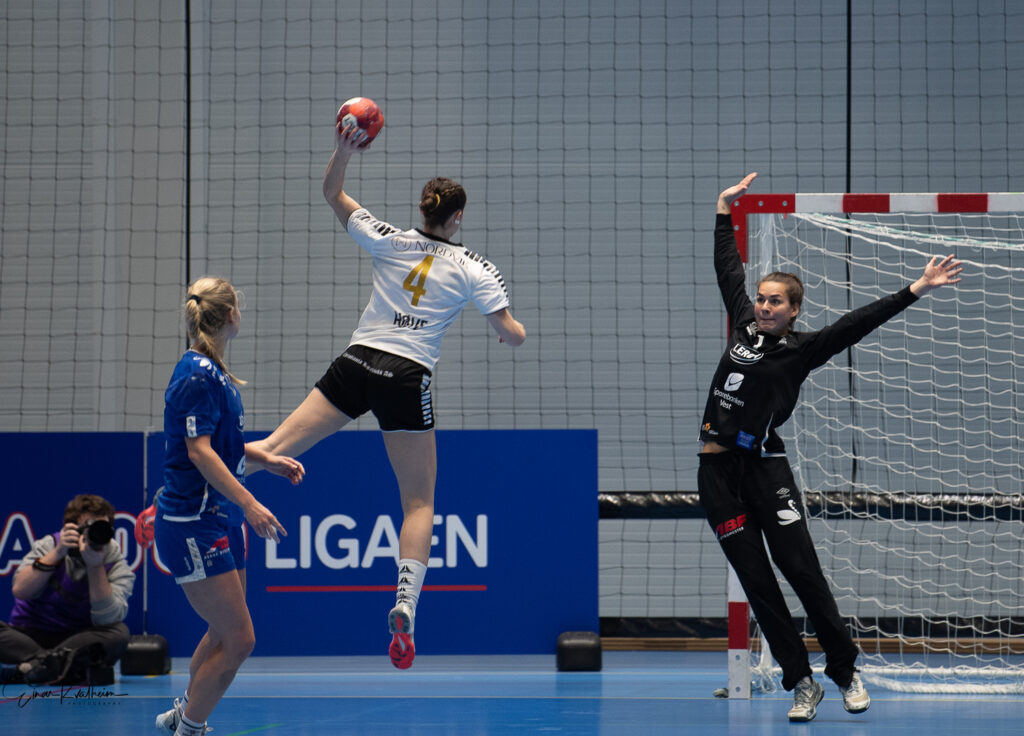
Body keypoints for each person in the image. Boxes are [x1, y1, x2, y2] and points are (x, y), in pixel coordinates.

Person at [245, 118, 526, 670]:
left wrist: (343, 149)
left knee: (273, 447)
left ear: (422, 209)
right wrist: (505, 329)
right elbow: (512, 334)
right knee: (419, 501)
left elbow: (332, 193)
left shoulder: (389, 238)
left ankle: (174, 499)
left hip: (356, 362)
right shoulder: (476, 268)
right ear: (458, 217)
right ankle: (405, 604)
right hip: (406, 375)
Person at [697, 173, 962, 722]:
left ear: (793, 310)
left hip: (766, 471)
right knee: (758, 584)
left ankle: (845, 672)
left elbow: (856, 324)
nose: (764, 306)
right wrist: (724, 212)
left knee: (802, 573)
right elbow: (728, 270)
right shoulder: (742, 327)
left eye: (775, 302)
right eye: (761, 299)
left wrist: (916, 289)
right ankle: (801, 683)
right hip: (717, 477)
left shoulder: (802, 350)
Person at [153, 277, 305, 736]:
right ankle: (190, 729)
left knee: (224, 633)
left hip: (219, 517)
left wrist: (267, 460)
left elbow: (224, 447)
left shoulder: (216, 374)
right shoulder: (196, 374)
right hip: (193, 522)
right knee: (240, 640)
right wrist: (252, 503)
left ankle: (185, 711)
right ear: (232, 315)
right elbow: (199, 452)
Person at [0, 493, 135, 685]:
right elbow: (21, 590)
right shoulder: (50, 545)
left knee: (119, 634)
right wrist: (57, 554)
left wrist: (95, 566)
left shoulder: (114, 561)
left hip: (79, 640)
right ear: (69, 528)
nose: (92, 534)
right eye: (87, 527)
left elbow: (107, 619)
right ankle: (52, 664)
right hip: (29, 633)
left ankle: (36, 666)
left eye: (101, 527)